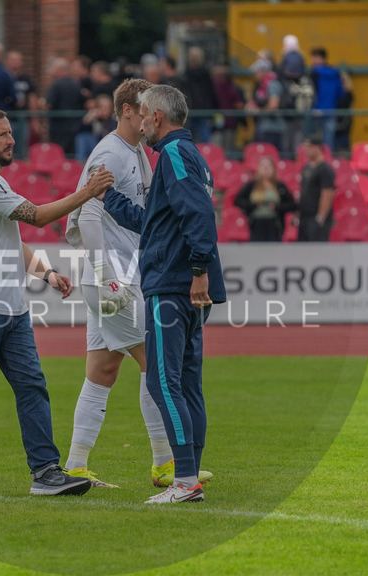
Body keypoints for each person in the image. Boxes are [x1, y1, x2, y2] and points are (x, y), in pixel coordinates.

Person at [0, 107, 114, 496]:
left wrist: (47, 273)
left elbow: (9, 240)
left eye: (9, 133)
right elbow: (35, 217)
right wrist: (87, 192)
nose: (11, 140)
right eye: (2, 135)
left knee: (33, 387)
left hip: (10, 308)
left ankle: (46, 473)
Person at [62, 78, 214, 489]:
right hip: (112, 280)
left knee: (103, 369)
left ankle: (75, 465)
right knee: (159, 364)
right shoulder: (109, 152)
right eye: (142, 108)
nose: (147, 116)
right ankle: (168, 463)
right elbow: (87, 216)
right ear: (129, 110)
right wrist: (105, 276)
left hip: (124, 277)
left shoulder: (137, 154)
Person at [101, 84, 226, 504]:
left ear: (156, 116)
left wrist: (198, 271)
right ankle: (189, 475)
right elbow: (154, 222)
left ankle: (185, 480)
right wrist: (108, 197)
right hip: (182, 284)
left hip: (174, 285)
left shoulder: (172, 155)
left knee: (163, 383)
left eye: (144, 115)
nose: (141, 123)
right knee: (187, 383)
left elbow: (198, 215)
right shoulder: (189, 156)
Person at [234, 156, 297, 242]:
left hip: (275, 223)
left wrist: (276, 207)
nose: (265, 168)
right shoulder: (251, 185)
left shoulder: (280, 186)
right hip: (256, 223)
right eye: (262, 165)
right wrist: (254, 205)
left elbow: (291, 204)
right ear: (258, 169)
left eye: (268, 166)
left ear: (273, 169)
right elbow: (238, 201)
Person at [297, 136, 335, 242]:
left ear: (317, 148)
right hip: (305, 216)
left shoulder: (325, 169)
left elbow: (327, 193)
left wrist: (321, 217)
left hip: (315, 217)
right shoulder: (307, 167)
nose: (306, 150)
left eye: (308, 147)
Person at [244, 56, 285, 151]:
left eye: (257, 71)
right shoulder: (261, 86)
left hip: (273, 129)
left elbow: (273, 106)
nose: (254, 74)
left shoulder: (273, 84)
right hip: (263, 127)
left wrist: (258, 111)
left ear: (263, 71)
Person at [45, 58, 83, 155]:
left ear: (59, 70)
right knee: (70, 155)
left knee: (57, 154)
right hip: (73, 126)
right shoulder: (76, 84)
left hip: (57, 127)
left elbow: (49, 104)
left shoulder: (56, 84)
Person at [309, 48, 344, 152]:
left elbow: (310, 93)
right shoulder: (334, 73)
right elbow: (340, 93)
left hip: (315, 110)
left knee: (313, 140)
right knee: (328, 142)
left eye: (315, 58)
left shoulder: (314, 73)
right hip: (331, 110)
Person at [183, 47, 219, 145]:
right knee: (204, 137)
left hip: (192, 109)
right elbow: (211, 93)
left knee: (192, 137)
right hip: (203, 109)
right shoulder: (205, 74)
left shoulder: (186, 74)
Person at [5, 50, 37, 159]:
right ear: (7, 62)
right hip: (8, 118)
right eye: (13, 60)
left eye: (19, 60)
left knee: (22, 149)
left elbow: (32, 99)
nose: (16, 62)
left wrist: (34, 120)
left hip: (23, 118)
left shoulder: (26, 79)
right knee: (6, 147)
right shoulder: (3, 78)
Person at [211, 65, 244, 152]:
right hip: (230, 120)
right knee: (227, 149)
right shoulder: (232, 88)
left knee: (216, 147)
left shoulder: (213, 88)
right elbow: (239, 105)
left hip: (216, 120)